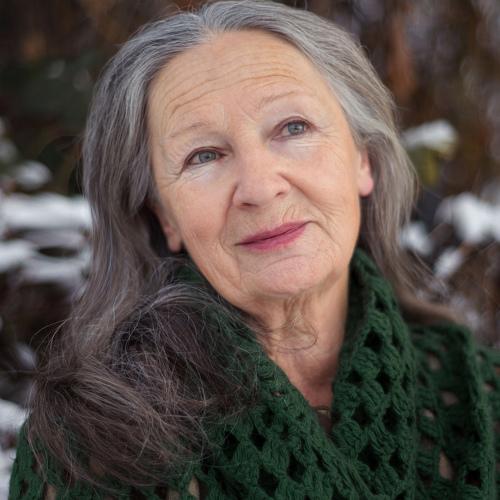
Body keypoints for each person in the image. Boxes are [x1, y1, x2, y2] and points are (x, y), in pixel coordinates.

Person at [9, 1, 500, 498]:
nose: (260, 188)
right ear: (164, 216)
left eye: (293, 128)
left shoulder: (481, 395)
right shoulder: (90, 446)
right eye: (204, 155)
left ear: (363, 160)